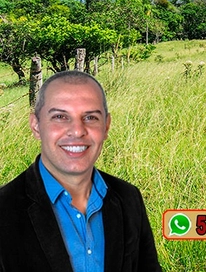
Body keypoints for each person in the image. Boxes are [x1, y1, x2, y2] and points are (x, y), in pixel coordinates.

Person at [0, 70, 162, 272]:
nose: (77, 131)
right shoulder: (4, 209)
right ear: (36, 126)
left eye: (91, 117)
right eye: (60, 116)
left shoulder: (129, 198)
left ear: (106, 126)